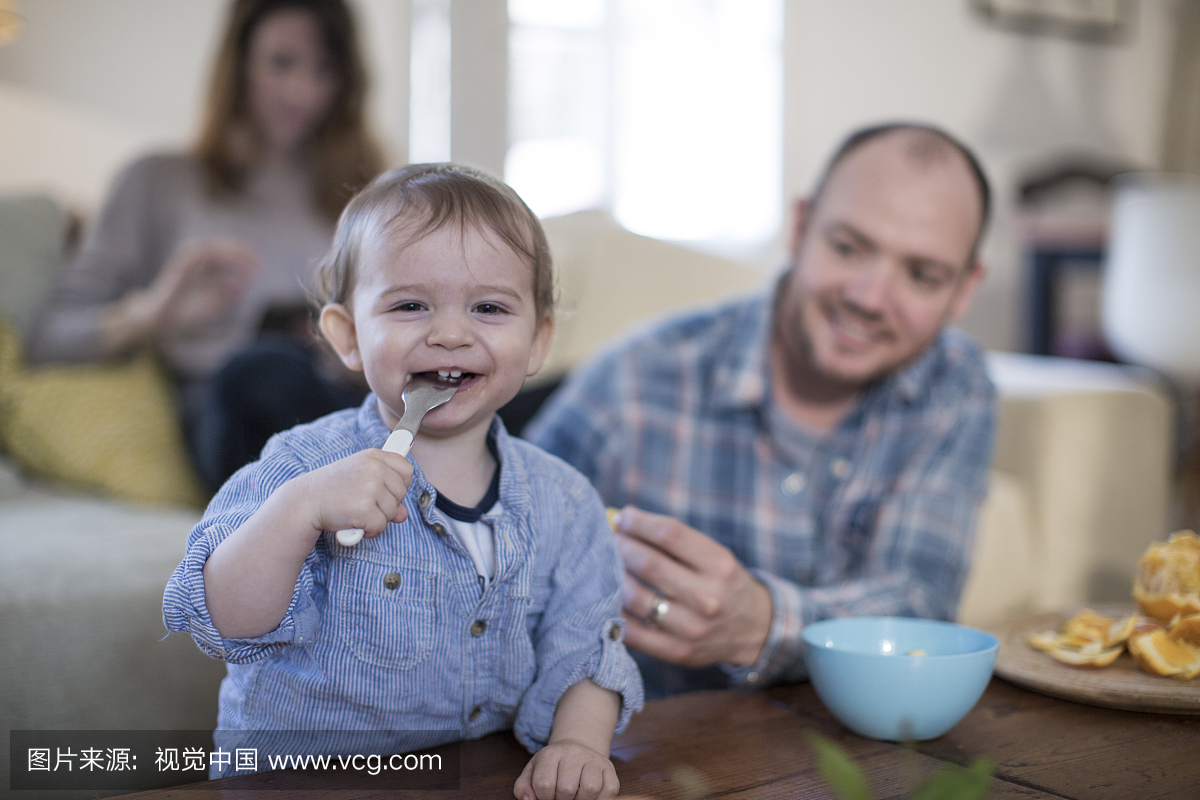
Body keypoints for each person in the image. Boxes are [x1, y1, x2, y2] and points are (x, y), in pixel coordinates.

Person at [162, 163, 643, 800]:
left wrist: (576, 746)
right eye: (410, 305)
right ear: (347, 337)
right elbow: (227, 618)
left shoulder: (567, 501)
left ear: (537, 341)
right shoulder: (299, 466)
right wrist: (299, 512)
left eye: (490, 307)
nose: (450, 332)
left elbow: (586, 647)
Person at [525, 123, 997, 698]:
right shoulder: (635, 378)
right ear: (800, 228)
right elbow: (501, 553)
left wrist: (764, 623)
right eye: (848, 247)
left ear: (965, 290)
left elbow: (919, 607)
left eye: (922, 276)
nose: (871, 298)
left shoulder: (958, 388)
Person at [27, 0, 385, 492]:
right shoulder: (156, 181)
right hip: (236, 406)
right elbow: (47, 339)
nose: (302, 91)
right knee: (264, 370)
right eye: (281, 63)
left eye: (324, 71)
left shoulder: (363, 194)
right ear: (238, 66)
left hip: (354, 401)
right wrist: (153, 314)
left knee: (492, 384)